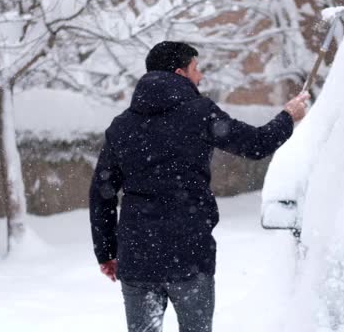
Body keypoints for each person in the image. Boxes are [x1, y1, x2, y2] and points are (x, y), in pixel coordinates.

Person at [89, 41, 309, 332]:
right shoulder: (199, 112)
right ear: (180, 72)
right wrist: (288, 116)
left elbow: (101, 193)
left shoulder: (122, 125)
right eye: (196, 68)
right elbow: (256, 144)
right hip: (188, 256)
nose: (201, 76)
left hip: (138, 258)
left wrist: (106, 252)